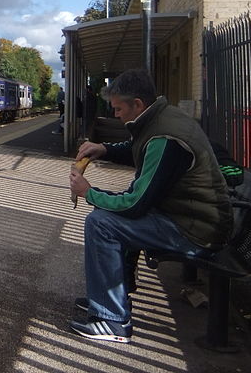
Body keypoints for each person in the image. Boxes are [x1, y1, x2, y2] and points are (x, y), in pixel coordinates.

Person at [68, 69, 233, 343]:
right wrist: (105, 149)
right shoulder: (162, 119)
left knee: (101, 223)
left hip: (196, 232)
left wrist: (89, 193)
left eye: (118, 109)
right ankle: (110, 300)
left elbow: (136, 205)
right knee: (107, 215)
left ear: (137, 105)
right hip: (191, 218)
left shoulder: (164, 138)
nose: (116, 114)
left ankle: (112, 319)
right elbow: (139, 150)